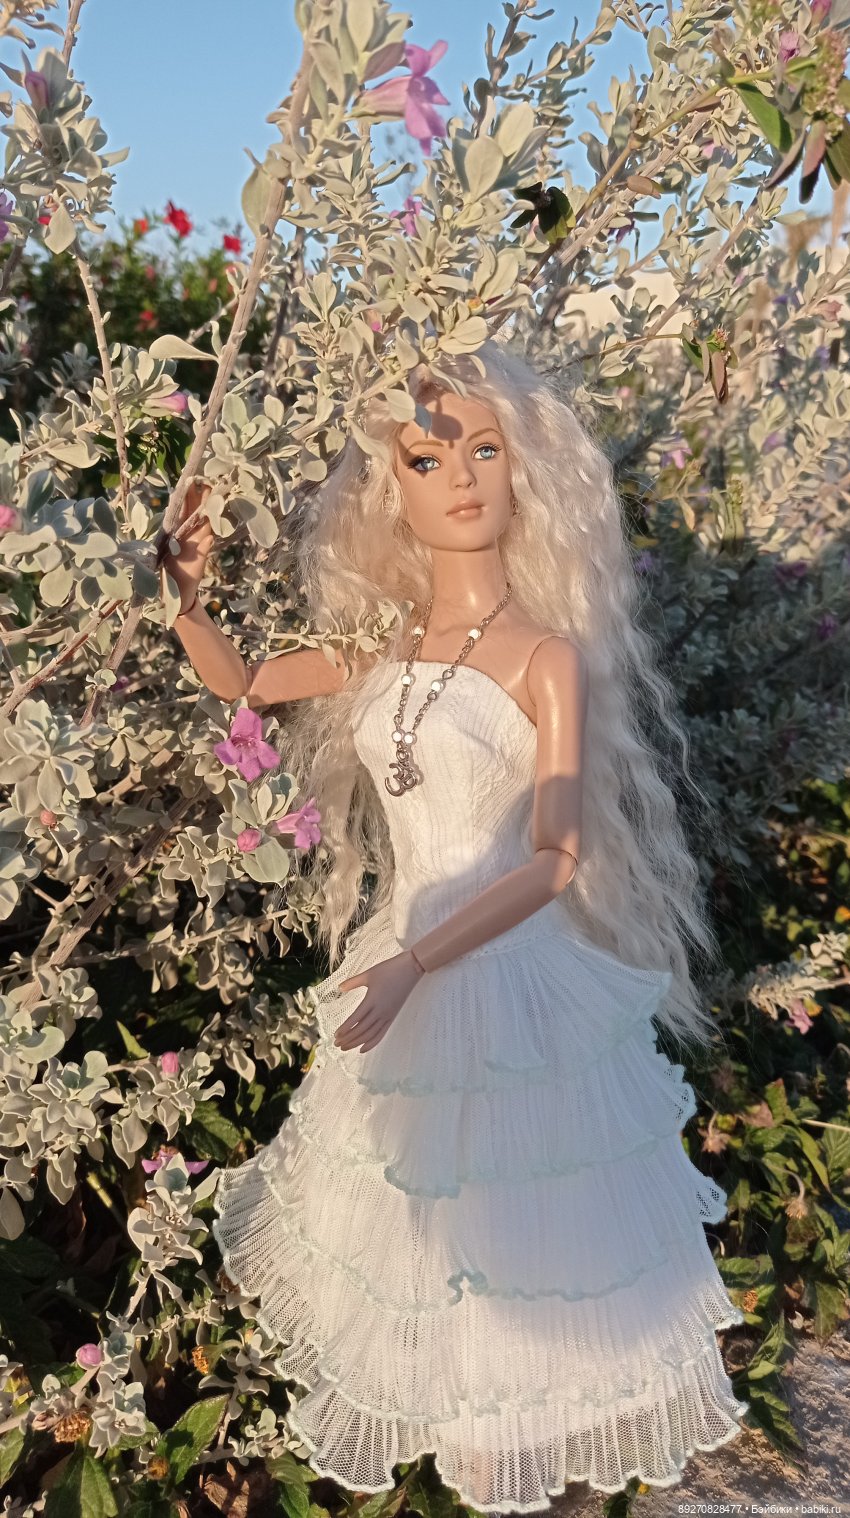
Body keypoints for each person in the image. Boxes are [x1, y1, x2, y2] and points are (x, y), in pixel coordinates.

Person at [167, 338, 749, 1510]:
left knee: (512, 1246)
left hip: (497, 978)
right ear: (392, 490)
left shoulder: (545, 656)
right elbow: (242, 682)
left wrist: (419, 960)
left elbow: (555, 857)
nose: (464, 479)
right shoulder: (380, 642)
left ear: (523, 468)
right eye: (429, 460)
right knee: (417, 1243)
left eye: (485, 450)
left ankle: (507, 1472)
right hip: (404, 969)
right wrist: (183, 593)